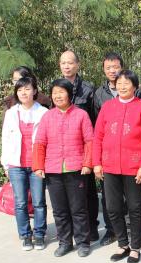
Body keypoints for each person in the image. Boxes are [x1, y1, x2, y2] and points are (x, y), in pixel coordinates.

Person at [93, 70, 141, 263]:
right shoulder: (107, 107)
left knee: (135, 208)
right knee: (112, 207)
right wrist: (97, 163)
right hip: (110, 166)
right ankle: (123, 244)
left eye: (127, 83)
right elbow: (98, 137)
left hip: (134, 167)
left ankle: (135, 247)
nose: (122, 86)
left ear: (135, 87)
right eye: (119, 82)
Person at [32, 79, 93, 258]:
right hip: (53, 169)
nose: (58, 96)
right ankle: (65, 242)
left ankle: (83, 242)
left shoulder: (81, 115)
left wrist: (88, 163)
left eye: (61, 92)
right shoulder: (47, 116)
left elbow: (89, 141)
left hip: (76, 169)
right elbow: (40, 142)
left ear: (69, 94)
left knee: (79, 209)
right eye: (55, 92)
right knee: (59, 210)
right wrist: (38, 165)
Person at [1, 76, 48, 251]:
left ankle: (40, 234)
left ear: (34, 91)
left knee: (38, 202)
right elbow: (5, 139)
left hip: (37, 165)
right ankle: (25, 235)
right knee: (20, 203)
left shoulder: (43, 112)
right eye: (20, 90)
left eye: (27, 89)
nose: (23, 92)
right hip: (16, 165)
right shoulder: (11, 113)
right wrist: (6, 164)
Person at [59, 50, 100, 242]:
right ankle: (73, 231)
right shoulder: (57, 88)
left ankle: (91, 227)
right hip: (65, 149)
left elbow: (95, 119)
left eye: (70, 63)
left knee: (88, 190)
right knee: (70, 192)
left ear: (78, 64)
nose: (66, 66)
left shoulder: (88, 89)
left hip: (85, 146)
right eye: (63, 63)